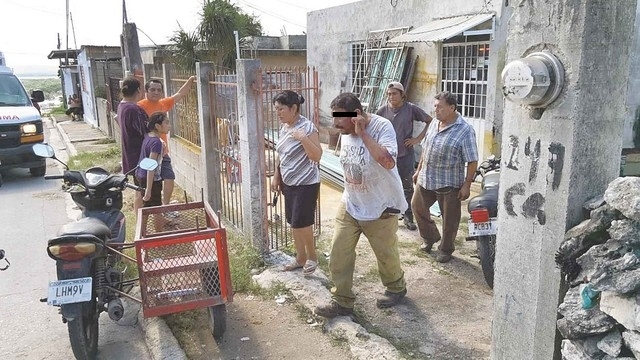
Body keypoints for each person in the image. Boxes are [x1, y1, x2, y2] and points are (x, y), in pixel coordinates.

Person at [314, 93, 408, 318]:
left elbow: (388, 161)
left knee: (385, 253)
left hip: (381, 205)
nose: (336, 124)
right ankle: (342, 301)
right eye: (335, 118)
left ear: (356, 116)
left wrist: (363, 133)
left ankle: (396, 287)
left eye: (340, 119)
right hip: (351, 203)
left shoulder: (381, 126)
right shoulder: (345, 131)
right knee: (338, 252)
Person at [412, 91, 478, 263]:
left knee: (450, 220)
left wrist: (467, 185)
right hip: (426, 178)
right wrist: (419, 170)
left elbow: (472, 160)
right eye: (435, 106)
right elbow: (426, 148)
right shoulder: (434, 123)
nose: (436, 110)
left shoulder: (465, 130)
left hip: (449, 183)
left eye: (439, 107)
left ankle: (446, 249)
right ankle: (430, 237)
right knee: (417, 207)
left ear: (452, 108)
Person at [271, 90, 322, 276]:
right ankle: (300, 258)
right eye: (276, 109)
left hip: (306, 183)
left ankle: (312, 257)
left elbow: (317, 156)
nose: (278, 113)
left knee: (303, 222)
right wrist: (277, 176)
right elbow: (282, 154)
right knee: (293, 222)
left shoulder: (307, 127)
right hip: (289, 183)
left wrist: (302, 138)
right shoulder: (284, 127)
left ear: (294, 108)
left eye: (281, 109)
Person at [376, 81, 432, 231]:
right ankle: (387, 214)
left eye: (394, 93)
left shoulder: (411, 109)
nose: (391, 96)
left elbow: (430, 121)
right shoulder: (382, 111)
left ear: (402, 95)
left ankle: (408, 218)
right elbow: (372, 126)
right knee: (386, 185)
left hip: (405, 155)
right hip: (387, 156)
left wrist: (417, 139)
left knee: (407, 186)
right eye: (389, 94)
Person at [138, 77, 197, 207]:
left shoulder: (164, 103)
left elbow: (180, 94)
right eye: (152, 89)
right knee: (147, 184)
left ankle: (165, 206)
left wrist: (191, 79)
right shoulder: (140, 107)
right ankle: (145, 209)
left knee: (169, 177)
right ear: (146, 91)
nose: (156, 92)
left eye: (159, 90)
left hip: (163, 152)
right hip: (150, 150)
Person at [117, 77, 148, 214]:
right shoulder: (133, 109)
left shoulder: (122, 105)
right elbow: (144, 131)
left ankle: (140, 221)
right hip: (139, 156)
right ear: (138, 90)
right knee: (144, 191)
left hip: (132, 155)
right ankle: (143, 223)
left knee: (139, 189)